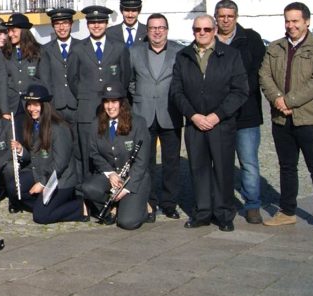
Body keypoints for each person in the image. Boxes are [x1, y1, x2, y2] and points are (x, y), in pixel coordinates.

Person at [259, 2, 313, 236]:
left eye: (295, 21)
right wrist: (277, 100)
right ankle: (287, 211)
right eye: (287, 21)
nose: (291, 25)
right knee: (286, 167)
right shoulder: (275, 47)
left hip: (311, 118)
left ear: (307, 22)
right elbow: (264, 75)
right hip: (282, 119)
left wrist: (289, 100)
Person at [170, 15, 248, 232]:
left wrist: (218, 115)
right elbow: (176, 91)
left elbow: (240, 90)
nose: (201, 33)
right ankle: (202, 212)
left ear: (214, 30)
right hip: (195, 123)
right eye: (197, 29)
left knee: (223, 169)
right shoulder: (183, 56)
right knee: (199, 169)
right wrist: (193, 115)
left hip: (221, 124)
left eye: (206, 29)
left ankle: (224, 213)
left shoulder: (231, 55)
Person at [214, 0, 267, 224]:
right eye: (222, 16)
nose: (226, 20)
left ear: (236, 17)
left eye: (230, 16)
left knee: (248, 162)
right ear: (216, 17)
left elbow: (259, 73)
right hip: (218, 114)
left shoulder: (250, 39)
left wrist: (238, 94)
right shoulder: (209, 39)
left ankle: (252, 204)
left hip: (247, 112)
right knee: (220, 162)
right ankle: (221, 202)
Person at [129, 13, 184, 220]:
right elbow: (130, 81)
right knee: (146, 163)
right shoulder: (135, 52)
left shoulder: (179, 52)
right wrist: (141, 97)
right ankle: (149, 203)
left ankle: (169, 203)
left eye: (161, 27)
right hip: (143, 114)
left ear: (167, 30)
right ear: (147, 31)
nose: (157, 31)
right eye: (153, 28)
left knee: (172, 163)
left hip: (170, 114)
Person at [80, 84, 151, 229]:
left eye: (114, 102)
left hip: (133, 178)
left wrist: (125, 190)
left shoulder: (138, 123)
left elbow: (142, 161)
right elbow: (94, 153)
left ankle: (143, 206)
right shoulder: (96, 124)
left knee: (127, 223)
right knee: (88, 188)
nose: (110, 106)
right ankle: (116, 207)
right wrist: (110, 173)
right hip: (113, 177)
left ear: (122, 103)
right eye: (106, 102)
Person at [71, 5, 130, 180]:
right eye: (92, 22)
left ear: (107, 23)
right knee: (87, 155)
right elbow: (73, 80)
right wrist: (86, 96)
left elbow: (125, 78)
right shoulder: (78, 49)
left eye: (101, 22)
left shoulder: (119, 48)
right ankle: (87, 199)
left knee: (113, 153)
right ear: (87, 25)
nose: (96, 26)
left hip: (112, 109)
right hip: (87, 111)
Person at [15, 84, 85, 223]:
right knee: (14, 190)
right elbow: (34, 155)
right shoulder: (33, 124)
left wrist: (42, 184)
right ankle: (47, 204)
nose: (31, 109)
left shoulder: (59, 127)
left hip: (60, 180)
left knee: (41, 217)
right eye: (29, 104)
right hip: (41, 172)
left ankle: (79, 207)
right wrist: (21, 150)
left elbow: (60, 164)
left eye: (36, 105)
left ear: (44, 105)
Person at [1, 13, 48, 116]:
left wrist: (43, 105)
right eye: (8, 31)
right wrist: (4, 110)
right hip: (13, 106)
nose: (10, 34)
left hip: (33, 105)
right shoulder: (4, 53)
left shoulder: (39, 51)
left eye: (14, 31)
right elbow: (2, 83)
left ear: (24, 31)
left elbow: (45, 81)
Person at [41, 8, 78, 125]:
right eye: (57, 24)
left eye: (65, 23)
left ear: (71, 24)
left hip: (77, 104)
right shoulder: (45, 49)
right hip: (56, 106)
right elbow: (44, 79)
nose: (62, 28)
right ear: (52, 26)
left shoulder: (82, 46)